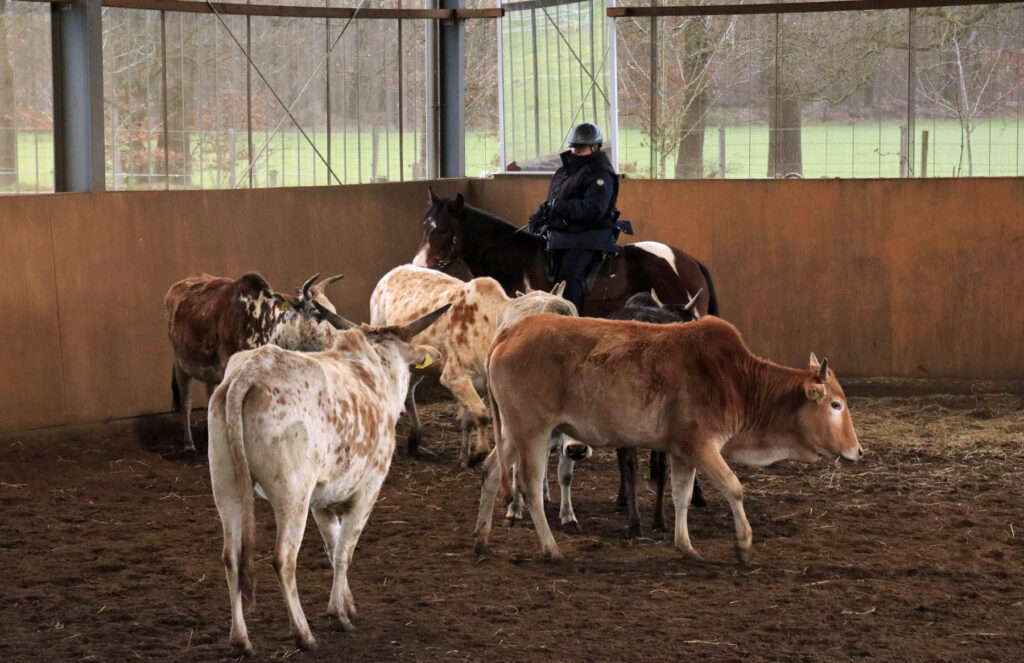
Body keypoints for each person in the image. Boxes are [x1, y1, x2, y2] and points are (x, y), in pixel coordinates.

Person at [528, 122, 620, 315]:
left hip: (589, 235)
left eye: (581, 148)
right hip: (563, 234)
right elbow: (554, 200)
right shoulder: (565, 171)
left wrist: (558, 207)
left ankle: (571, 320)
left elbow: (594, 209)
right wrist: (541, 213)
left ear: (594, 148)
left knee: (568, 277)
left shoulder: (600, 174)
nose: (575, 151)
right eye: (573, 147)